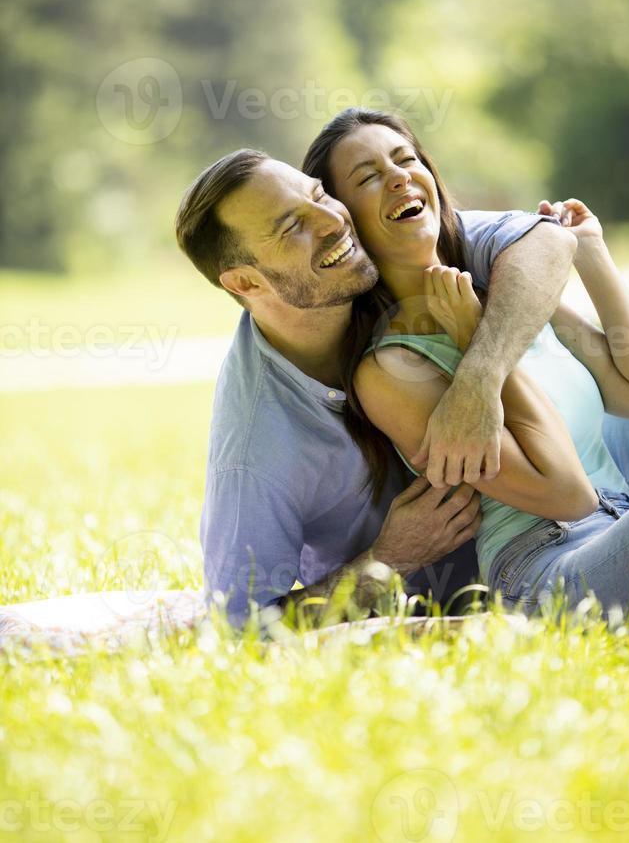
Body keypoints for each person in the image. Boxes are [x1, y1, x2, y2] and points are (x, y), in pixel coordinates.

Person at [174, 136, 581, 628]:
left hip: (580, 522)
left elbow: (546, 239)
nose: (333, 220)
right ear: (245, 283)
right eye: (293, 227)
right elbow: (241, 624)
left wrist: (480, 376)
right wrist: (385, 561)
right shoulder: (257, 448)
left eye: (319, 195)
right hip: (515, 580)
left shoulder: (381, 256)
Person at [304, 107, 629, 615]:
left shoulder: (508, 292)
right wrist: (472, 342)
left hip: (624, 514)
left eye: (405, 159)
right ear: (345, 219)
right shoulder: (390, 371)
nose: (399, 177)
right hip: (548, 567)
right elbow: (568, 495)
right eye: (370, 176)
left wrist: (592, 255)